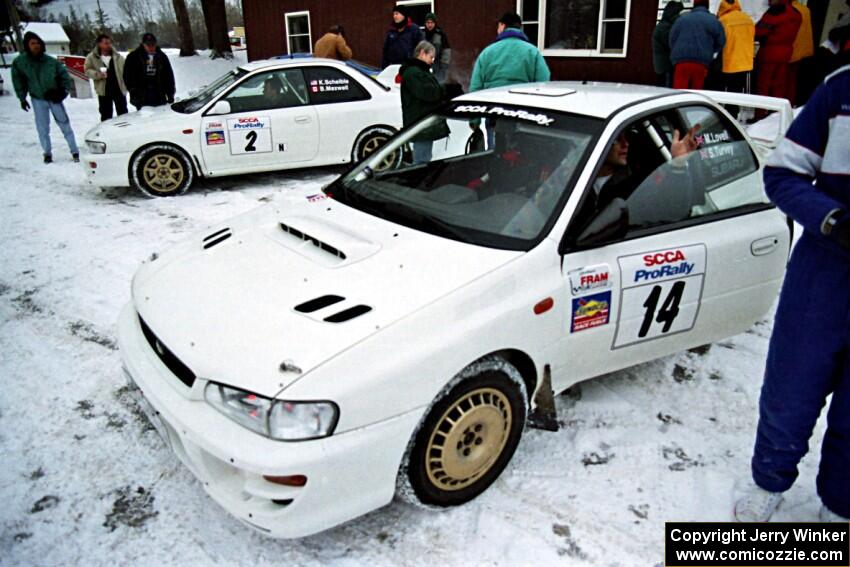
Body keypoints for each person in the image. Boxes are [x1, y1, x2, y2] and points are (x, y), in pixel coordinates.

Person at [734, 64, 850, 524]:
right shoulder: (839, 91)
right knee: (792, 384)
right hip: (826, 267)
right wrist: (832, 219)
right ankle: (769, 480)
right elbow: (782, 174)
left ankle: (840, 506)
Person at [11, 31, 79, 164]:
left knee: (65, 124)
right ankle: (47, 153)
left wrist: (62, 92)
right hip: (38, 99)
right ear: (27, 45)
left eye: (38, 43)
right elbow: (18, 80)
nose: (36, 46)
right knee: (42, 128)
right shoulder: (20, 62)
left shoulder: (51, 62)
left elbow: (64, 77)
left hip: (54, 98)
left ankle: (75, 151)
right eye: (32, 43)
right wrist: (22, 98)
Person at [469, 12, 550, 92]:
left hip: (492, 101)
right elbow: (543, 81)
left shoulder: (487, 52)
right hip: (521, 101)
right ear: (520, 28)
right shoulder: (532, 51)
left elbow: (475, 87)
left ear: (502, 25)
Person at [399, 41, 445, 164]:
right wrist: (445, 90)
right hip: (421, 123)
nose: (432, 61)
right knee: (421, 160)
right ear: (422, 53)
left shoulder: (418, 71)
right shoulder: (414, 73)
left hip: (422, 122)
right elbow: (427, 93)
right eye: (431, 57)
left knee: (424, 156)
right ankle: (417, 181)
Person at [669, 0, 726, 89]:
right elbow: (721, 41)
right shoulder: (713, 20)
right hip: (701, 62)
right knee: (697, 92)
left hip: (681, 62)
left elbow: (672, 38)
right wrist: (711, 51)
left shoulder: (681, 19)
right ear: (707, 6)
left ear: (694, 6)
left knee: (679, 93)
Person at [754, 0, 801, 99]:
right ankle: (776, 112)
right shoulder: (796, 13)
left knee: (763, 85)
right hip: (786, 53)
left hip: (769, 52)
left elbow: (760, 32)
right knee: (779, 86)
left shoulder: (775, 11)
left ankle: (761, 112)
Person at [123, 33, 176, 110]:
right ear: (143, 44)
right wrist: (133, 91)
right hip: (142, 95)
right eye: (148, 45)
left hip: (159, 93)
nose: (151, 47)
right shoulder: (133, 57)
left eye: (153, 45)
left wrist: (170, 94)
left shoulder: (161, 56)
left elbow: (168, 76)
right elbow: (127, 76)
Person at [84, 34, 128, 121]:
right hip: (104, 90)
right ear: (99, 44)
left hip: (118, 88)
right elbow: (87, 71)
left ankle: (125, 132)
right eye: (106, 43)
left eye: (109, 43)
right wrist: (97, 74)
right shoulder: (92, 57)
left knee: (123, 113)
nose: (109, 45)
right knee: (106, 115)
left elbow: (126, 70)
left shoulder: (118, 56)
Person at [717, 0, 755, 97]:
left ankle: (723, 110)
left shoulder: (723, 20)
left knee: (724, 90)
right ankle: (733, 110)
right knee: (737, 91)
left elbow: (719, 41)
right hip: (745, 62)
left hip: (729, 62)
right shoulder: (748, 19)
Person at [786, 0, 814, 105]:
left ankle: (787, 103)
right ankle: (792, 103)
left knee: (788, 82)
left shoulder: (792, 10)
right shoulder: (805, 9)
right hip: (805, 49)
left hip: (794, 49)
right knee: (794, 81)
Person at [652, 1, 684, 87]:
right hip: (665, 66)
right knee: (666, 89)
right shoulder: (664, 27)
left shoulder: (664, 25)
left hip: (664, 65)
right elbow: (670, 44)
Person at [423, 12, 451, 83]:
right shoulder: (421, 34)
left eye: (432, 22)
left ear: (435, 23)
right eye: (428, 22)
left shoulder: (440, 34)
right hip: (423, 65)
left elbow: (446, 50)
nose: (430, 25)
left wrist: (444, 65)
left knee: (438, 84)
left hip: (438, 65)